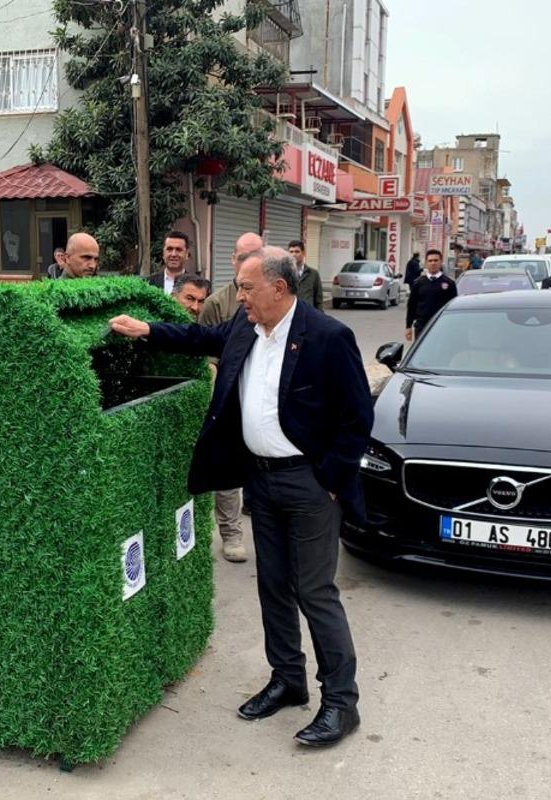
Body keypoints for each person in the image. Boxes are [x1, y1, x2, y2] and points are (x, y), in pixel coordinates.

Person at [108, 247, 371, 748]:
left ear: (280, 288)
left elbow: (357, 419)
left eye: (247, 288)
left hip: (309, 484)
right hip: (261, 481)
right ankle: (287, 680)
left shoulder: (328, 337)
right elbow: (198, 336)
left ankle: (341, 701)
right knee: (272, 586)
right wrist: (147, 330)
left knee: (314, 592)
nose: (240, 297)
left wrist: (330, 481)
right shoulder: (245, 328)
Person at [198, 231, 264, 562]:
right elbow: (208, 351)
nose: (248, 262)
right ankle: (229, 533)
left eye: (255, 255)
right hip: (224, 398)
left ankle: (237, 529)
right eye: (242, 257)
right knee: (222, 469)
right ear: (232, 260)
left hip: (259, 401)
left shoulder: (268, 297)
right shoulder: (218, 303)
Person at [405, 248, 456, 341]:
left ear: (441, 262)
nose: (433, 263)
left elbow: (454, 307)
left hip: (442, 325)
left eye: (436, 260)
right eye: (430, 261)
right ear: (426, 263)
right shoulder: (418, 283)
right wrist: (408, 327)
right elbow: (411, 306)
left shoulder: (449, 283)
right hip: (422, 326)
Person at [287, 240, 323, 310]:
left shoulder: (313, 274)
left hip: (308, 314)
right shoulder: (284, 273)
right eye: (291, 252)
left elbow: (318, 300)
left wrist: (319, 316)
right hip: (290, 314)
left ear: (303, 253)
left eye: (297, 251)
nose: (293, 254)